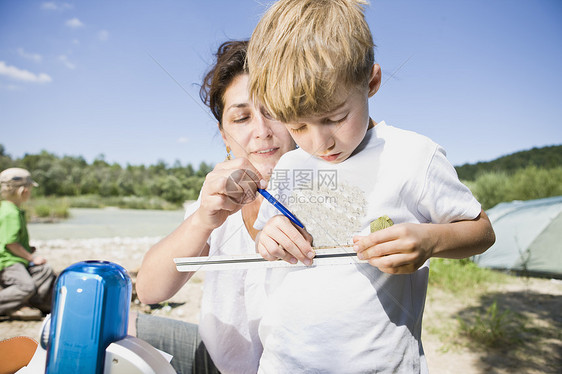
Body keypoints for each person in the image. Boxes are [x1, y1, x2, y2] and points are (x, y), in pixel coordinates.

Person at [246, 0, 496, 372]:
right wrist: (269, 237)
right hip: (283, 363)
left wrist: (429, 241)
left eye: (335, 118)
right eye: (297, 127)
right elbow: (266, 235)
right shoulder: (289, 165)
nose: (319, 143)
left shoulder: (412, 155)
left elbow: (482, 232)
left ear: (372, 81)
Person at [134, 40, 296, 374]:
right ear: (224, 135)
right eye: (242, 117)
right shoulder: (216, 200)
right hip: (219, 360)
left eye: (274, 111)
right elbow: (150, 291)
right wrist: (203, 220)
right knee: (122, 329)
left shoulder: (327, 190)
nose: (261, 131)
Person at [0, 167, 56, 321]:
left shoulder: (9, 209)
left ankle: (32, 303)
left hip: (16, 260)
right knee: (26, 287)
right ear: (22, 190)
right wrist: (31, 258)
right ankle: (14, 304)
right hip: (9, 263)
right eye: (30, 189)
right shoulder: (11, 213)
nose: (30, 193)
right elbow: (11, 243)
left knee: (45, 271)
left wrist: (27, 249)